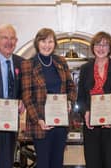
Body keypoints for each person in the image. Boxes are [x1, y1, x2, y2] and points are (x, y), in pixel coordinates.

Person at [21, 28, 76, 168]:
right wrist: (38, 119)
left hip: (61, 122)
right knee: (44, 163)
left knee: (57, 163)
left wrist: (69, 100)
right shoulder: (28, 64)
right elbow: (27, 96)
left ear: (55, 43)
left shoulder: (61, 61)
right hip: (41, 124)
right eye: (43, 41)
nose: (47, 45)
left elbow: (71, 86)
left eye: (50, 41)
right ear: (37, 43)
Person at [77, 31, 111, 168]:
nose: (101, 48)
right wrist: (85, 112)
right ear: (93, 47)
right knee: (93, 163)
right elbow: (80, 98)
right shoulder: (85, 68)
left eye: (105, 45)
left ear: (110, 48)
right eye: (98, 44)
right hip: (91, 127)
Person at [0, 24, 23, 168]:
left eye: (12, 38)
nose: (9, 42)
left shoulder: (21, 63)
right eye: (5, 38)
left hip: (10, 123)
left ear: (16, 41)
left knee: (6, 163)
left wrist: (23, 100)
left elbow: (24, 89)